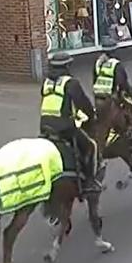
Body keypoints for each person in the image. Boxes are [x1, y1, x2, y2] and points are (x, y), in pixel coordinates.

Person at [40, 51, 102, 194]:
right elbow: (83, 104)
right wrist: (91, 117)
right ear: (67, 66)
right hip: (64, 128)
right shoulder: (71, 83)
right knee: (91, 147)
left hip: (44, 126)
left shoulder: (46, 82)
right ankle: (89, 181)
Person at [92, 37, 132, 148]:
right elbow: (122, 83)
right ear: (115, 50)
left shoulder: (98, 63)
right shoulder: (116, 64)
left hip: (97, 98)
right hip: (109, 98)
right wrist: (129, 93)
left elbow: (95, 78)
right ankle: (131, 134)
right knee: (131, 110)